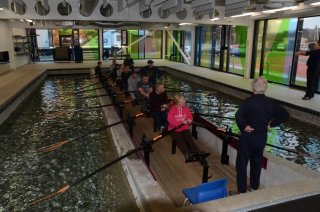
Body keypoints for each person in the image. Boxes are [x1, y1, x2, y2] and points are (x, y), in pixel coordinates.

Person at [235, 76, 290, 193]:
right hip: (261, 138)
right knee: (256, 162)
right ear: (265, 89)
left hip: (248, 138)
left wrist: (244, 126)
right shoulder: (271, 103)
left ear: (253, 87)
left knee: (242, 163)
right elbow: (285, 115)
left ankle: (242, 190)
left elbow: (238, 116)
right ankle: (254, 187)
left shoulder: (248, 102)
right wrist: (271, 124)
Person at [167, 94, 210, 162]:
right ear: (178, 103)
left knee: (190, 140)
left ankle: (197, 152)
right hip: (174, 129)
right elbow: (170, 119)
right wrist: (180, 123)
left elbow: (189, 116)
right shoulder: (172, 109)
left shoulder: (186, 108)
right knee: (180, 141)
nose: (185, 101)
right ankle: (187, 153)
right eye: (183, 101)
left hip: (184, 128)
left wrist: (190, 120)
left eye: (184, 100)